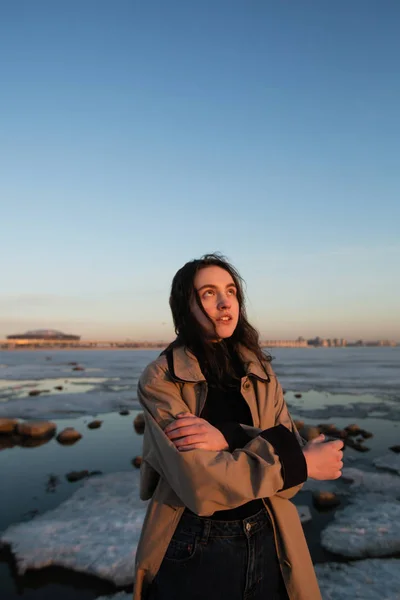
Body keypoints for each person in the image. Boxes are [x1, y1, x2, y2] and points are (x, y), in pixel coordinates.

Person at [133, 254, 343, 600]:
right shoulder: (162, 378)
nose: (225, 301)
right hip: (196, 544)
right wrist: (300, 461)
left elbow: (288, 482)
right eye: (208, 293)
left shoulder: (258, 370)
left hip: (269, 533)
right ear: (185, 306)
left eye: (230, 290)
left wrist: (229, 436)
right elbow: (201, 486)